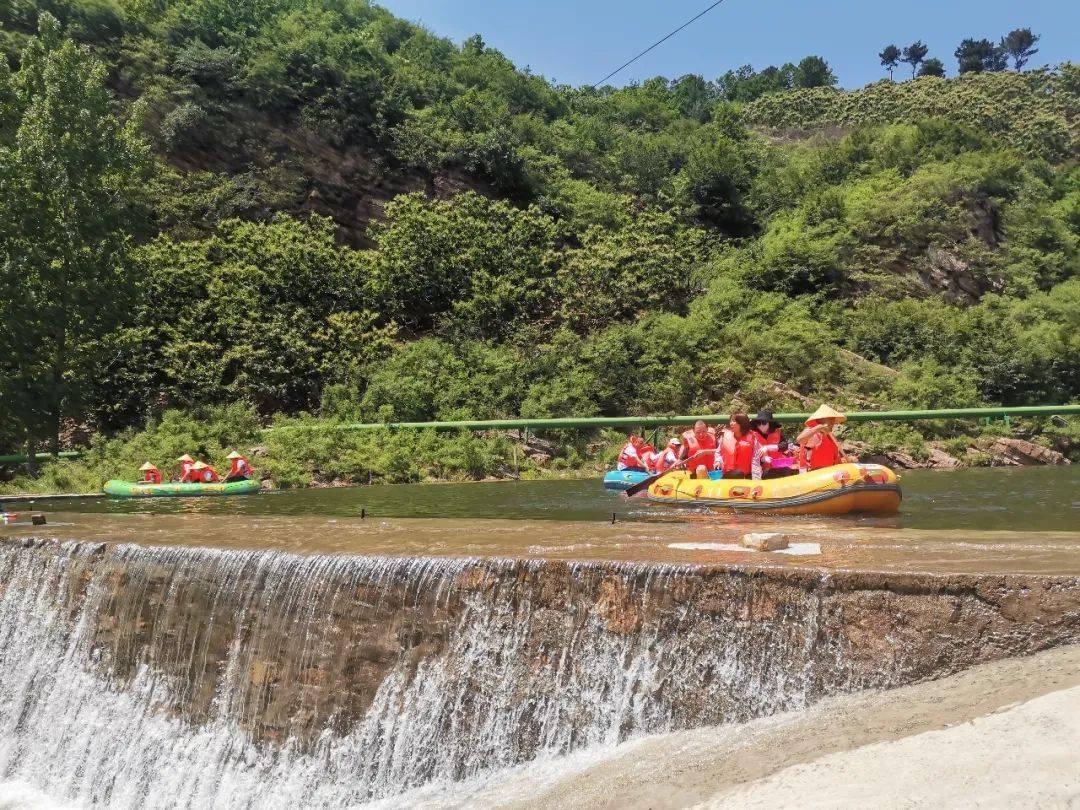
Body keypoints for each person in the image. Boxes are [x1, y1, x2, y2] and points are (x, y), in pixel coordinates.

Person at [797, 404, 851, 471]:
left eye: (833, 419)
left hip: (829, 473)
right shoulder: (813, 434)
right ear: (820, 420)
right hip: (814, 474)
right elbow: (800, 440)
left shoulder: (830, 436)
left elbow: (836, 458)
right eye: (830, 419)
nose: (833, 422)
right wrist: (819, 427)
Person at [717, 414, 754, 479]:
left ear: (742, 423)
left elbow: (757, 458)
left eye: (734, 421)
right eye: (730, 421)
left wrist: (756, 478)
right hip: (728, 475)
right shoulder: (725, 436)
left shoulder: (753, 438)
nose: (731, 423)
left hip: (747, 476)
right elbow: (718, 452)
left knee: (739, 473)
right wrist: (718, 461)